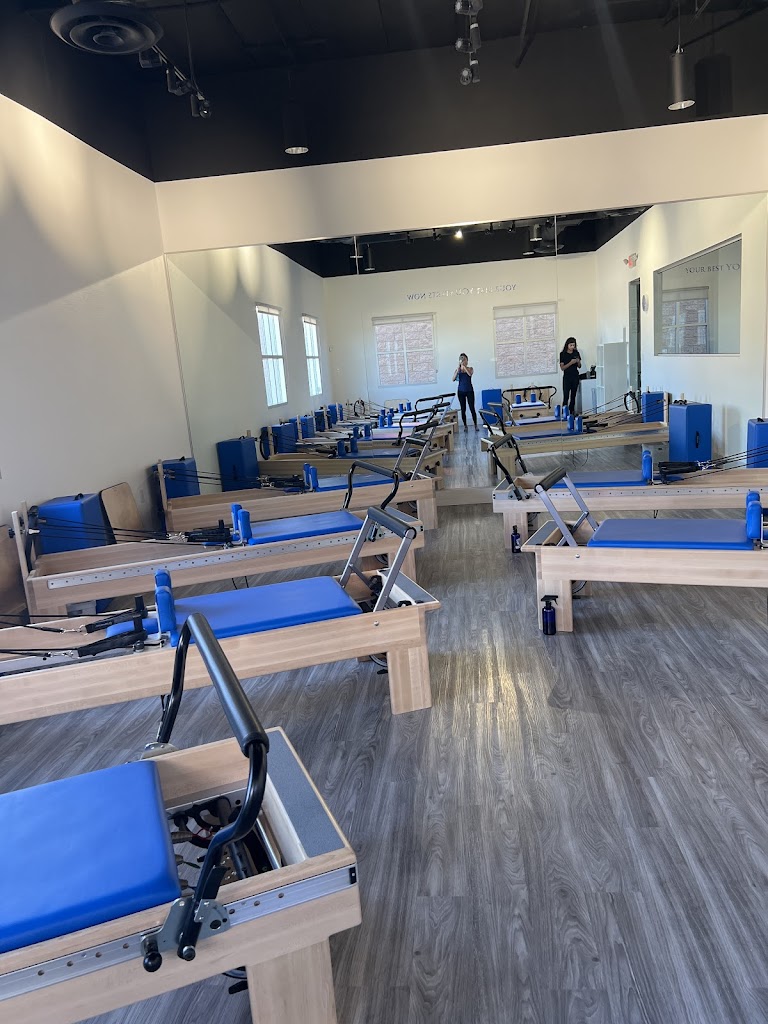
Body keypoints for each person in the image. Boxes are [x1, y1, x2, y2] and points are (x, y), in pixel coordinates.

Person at [453, 353, 478, 430]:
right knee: (463, 409)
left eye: (465, 359)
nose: (464, 361)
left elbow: (469, 374)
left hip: (469, 390)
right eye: (462, 359)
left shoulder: (470, 368)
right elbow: (453, 379)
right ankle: (465, 426)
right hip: (461, 391)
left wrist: (464, 367)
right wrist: (458, 370)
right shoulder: (458, 370)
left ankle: (475, 425)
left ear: (467, 360)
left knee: (472, 408)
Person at [559, 337, 582, 416]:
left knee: (573, 395)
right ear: (567, 345)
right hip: (567, 377)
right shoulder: (563, 354)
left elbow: (579, 366)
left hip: (575, 376)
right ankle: (564, 412)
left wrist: (578, 362)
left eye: (573, 345)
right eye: (571, 345)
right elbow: (562, 368)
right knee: (566, 395)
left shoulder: (576, 353)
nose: (572, 347)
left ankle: (572, 411)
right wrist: (571, 363)